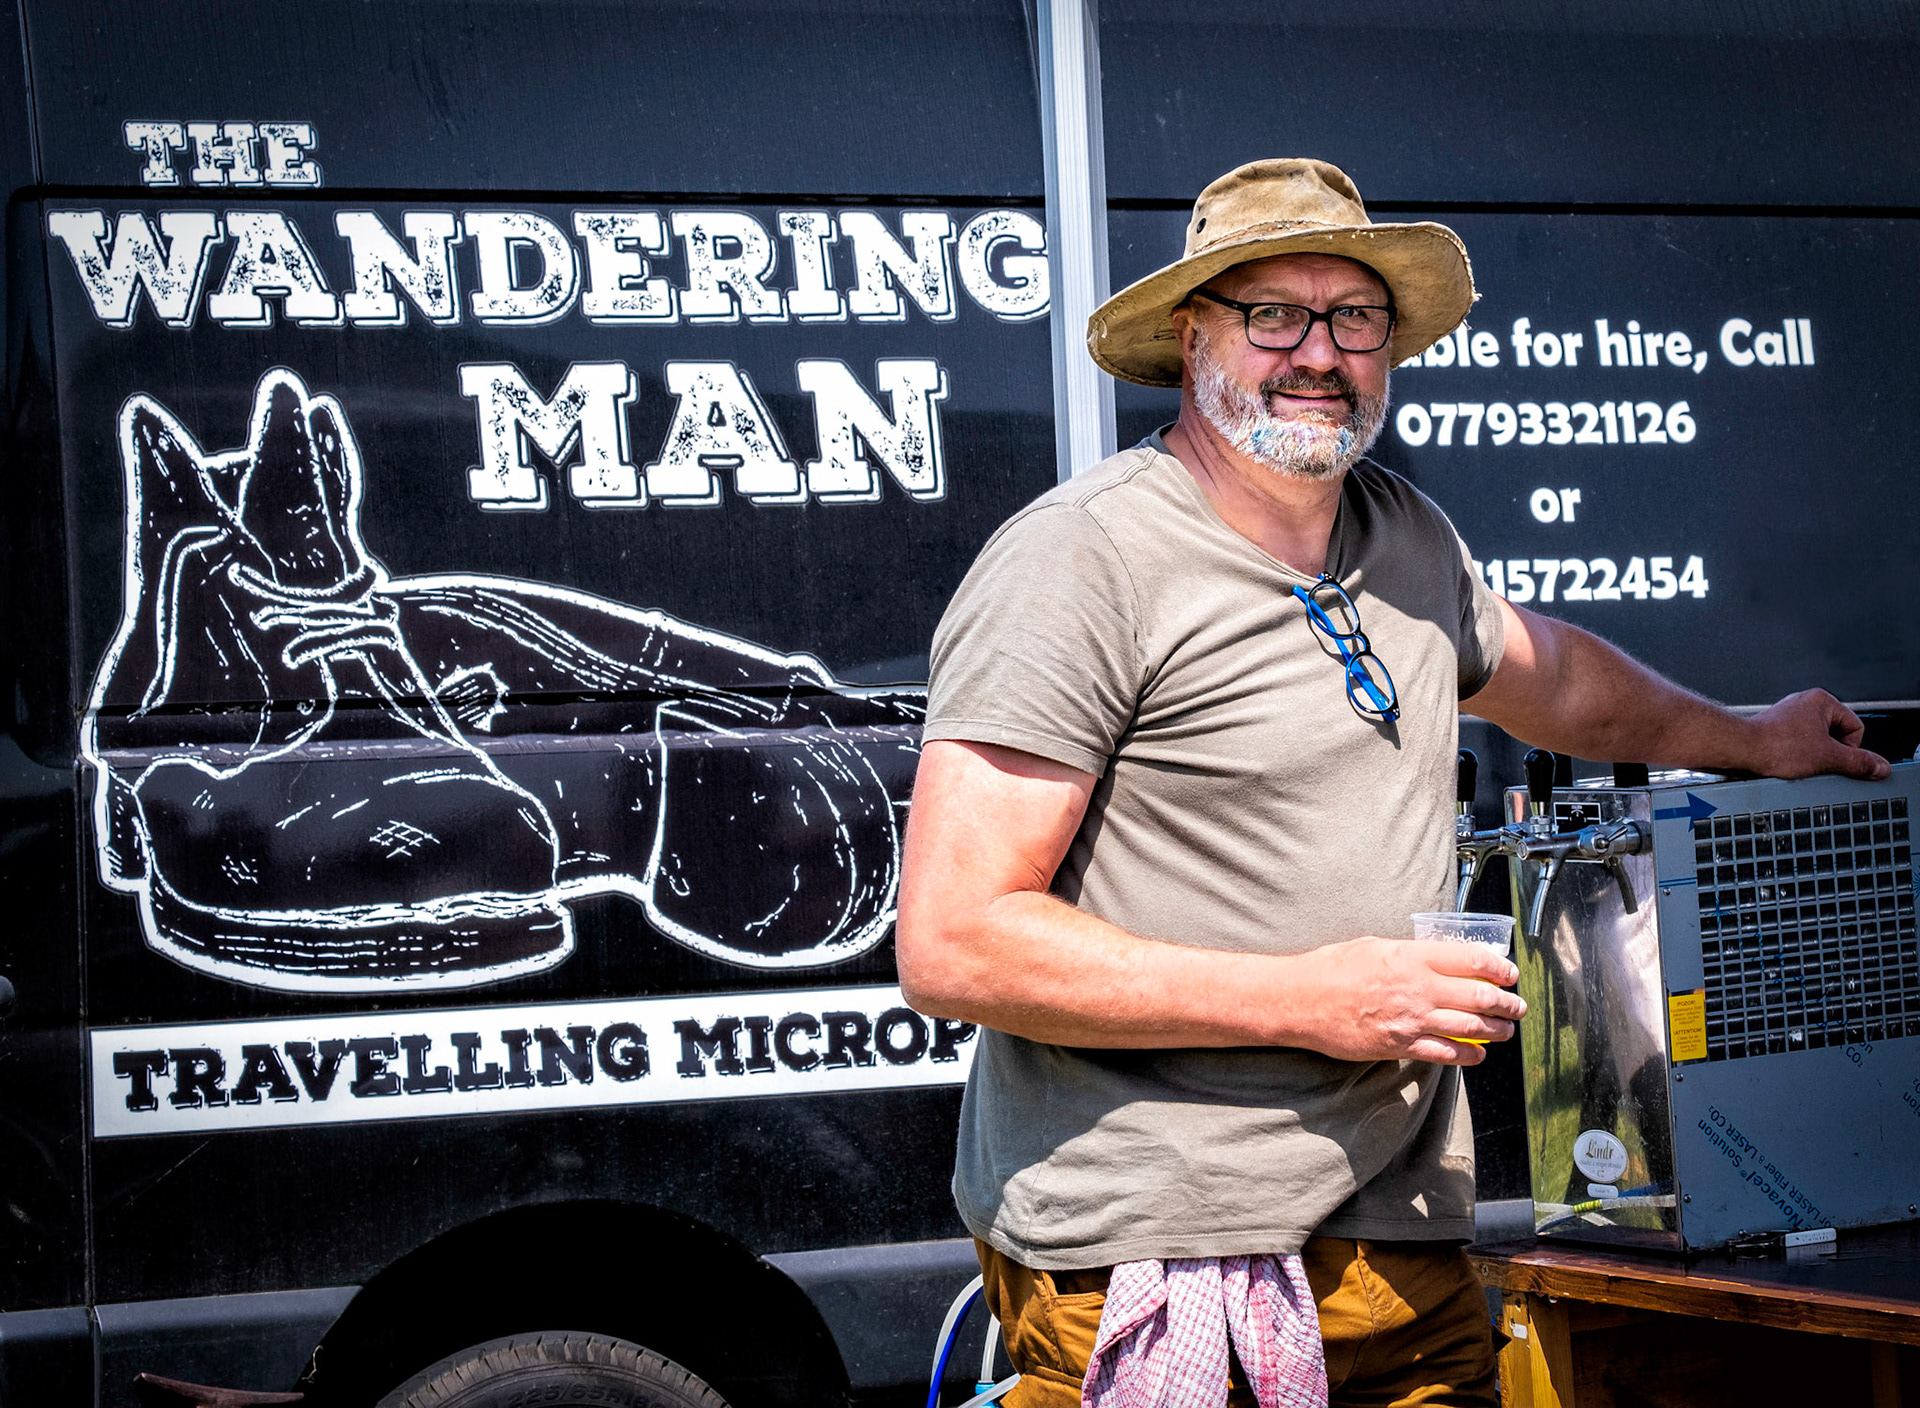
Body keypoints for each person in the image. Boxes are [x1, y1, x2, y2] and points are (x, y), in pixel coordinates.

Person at [895, 157, 1886, 1408]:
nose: (1320, 352)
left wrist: (1751, 735)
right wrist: (1315, 997)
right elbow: (956, 944)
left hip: (1401, 1238)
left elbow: (1556, 677)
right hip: (1158, 1251)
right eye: (1274, 314)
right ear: (1194, 337)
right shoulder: (1079, 561)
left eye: (1355, 317)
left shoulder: (1404, 533)